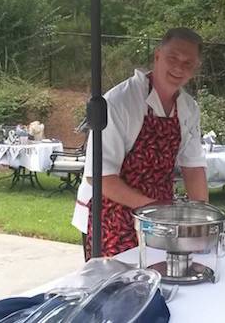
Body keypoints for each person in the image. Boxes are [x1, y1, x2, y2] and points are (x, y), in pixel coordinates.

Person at [72, 27, 208, 259]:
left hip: (159, 218)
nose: (178, 67)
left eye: (188, 63)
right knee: (119, 290)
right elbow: (100, 177)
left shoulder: (188, 107)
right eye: (172, 58)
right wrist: (159, 212)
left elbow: (193, 168)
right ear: (157, 56)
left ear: (194, 69)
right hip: (111, 215)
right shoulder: (119, 102)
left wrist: (203, 222)